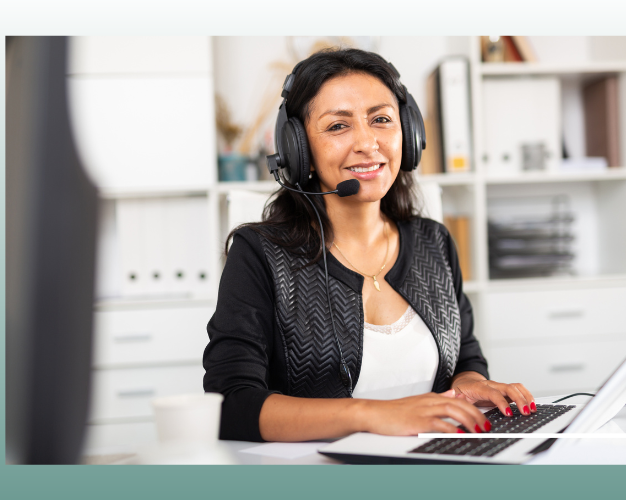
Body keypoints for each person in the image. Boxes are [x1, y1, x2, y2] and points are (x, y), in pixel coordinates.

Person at [203, 48, 536, 443]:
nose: (367, 142)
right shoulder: (258, 254)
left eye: (381, 119)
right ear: (299, 150)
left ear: (408, 135)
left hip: (435, 460)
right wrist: (372, 415)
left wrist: (470, 382)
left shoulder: (434, 242)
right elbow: (232, 404)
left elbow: (465, 353)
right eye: (338, 126)